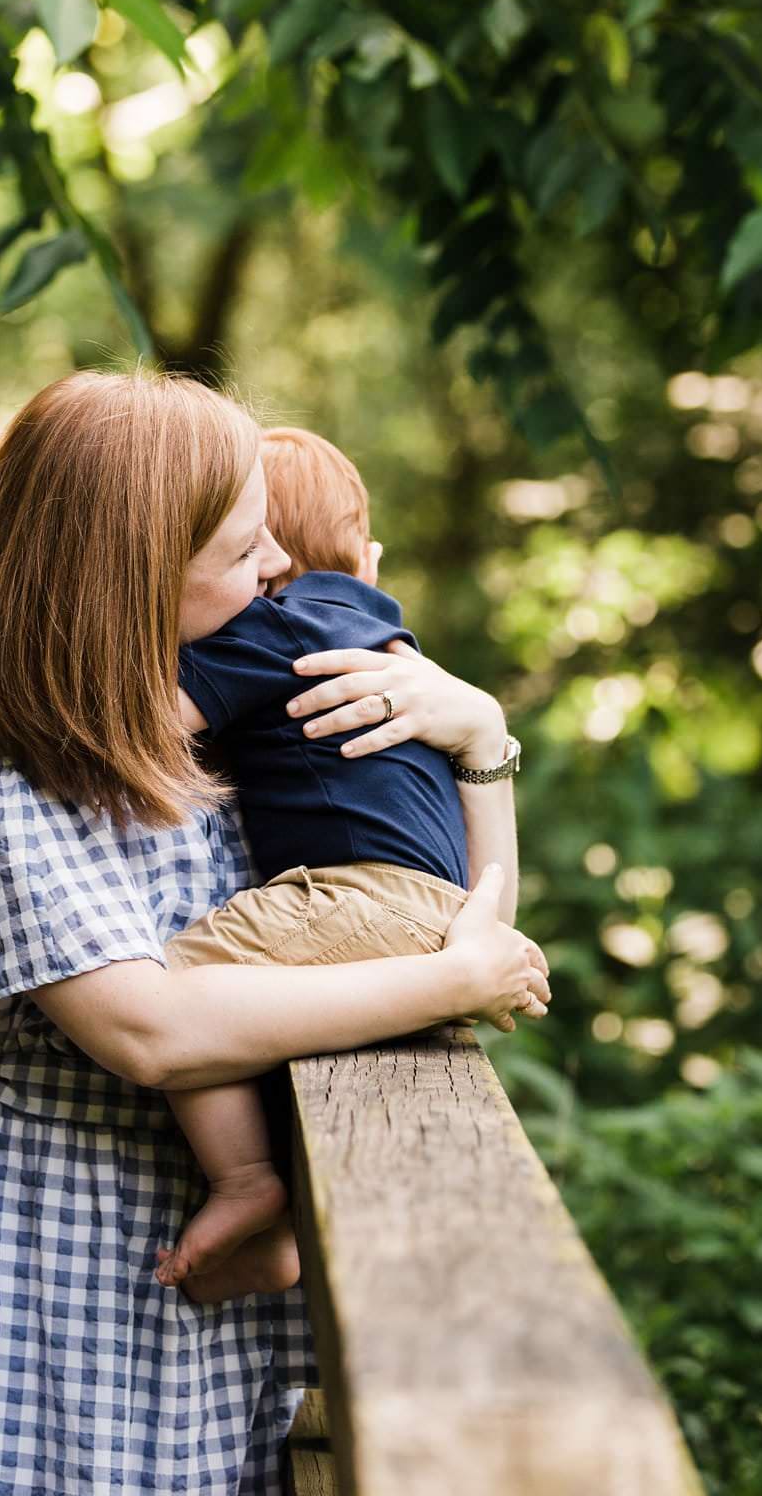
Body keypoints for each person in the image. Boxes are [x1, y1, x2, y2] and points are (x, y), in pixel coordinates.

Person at [0, 368, 547, 1496]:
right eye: (245, 549)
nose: (274, 575)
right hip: (37, 1258)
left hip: (199, 1271)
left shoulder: (202, 724)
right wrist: (443, 980)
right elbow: (152, 1027)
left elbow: (419, 895)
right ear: (129, 564)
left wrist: (477, 736)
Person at [152, 425, 535, 1298]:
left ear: (261, 559)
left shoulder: (272, 622)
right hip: (439, 907)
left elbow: (143, 723)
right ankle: (287, 1231)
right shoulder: (391, 642)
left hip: (359, 899)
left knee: (183, 976)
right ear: (368, 558)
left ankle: (250, 1184)